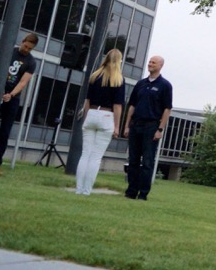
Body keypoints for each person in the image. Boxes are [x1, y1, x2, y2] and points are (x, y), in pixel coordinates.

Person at [74, 47, 125, 196]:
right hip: (106, 115)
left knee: (85, 154)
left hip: (92, 113)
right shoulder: (118, 79)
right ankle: (86, 190)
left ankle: (78, 189)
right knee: (95, 157)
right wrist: (117, 126)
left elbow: (87, 100)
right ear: (119, 61)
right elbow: (117, 106)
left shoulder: (95, 76)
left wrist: (86, 119)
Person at [122, 54, 172, 200]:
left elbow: (167, 109)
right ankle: (131, 191)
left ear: (160, 65)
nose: (150, 64)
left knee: (147, 161)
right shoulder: (140, 84)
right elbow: (132, 105)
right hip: (136, 125)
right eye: (149, 62)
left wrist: (160, 129)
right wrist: (127, 125)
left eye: (153, 62)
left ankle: (143, 194)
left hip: (151, 127)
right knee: (133, 160)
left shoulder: (165, 85)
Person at [0, 32, 38, 175]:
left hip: (12, 98)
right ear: (22, 41)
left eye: (30, 48)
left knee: (4, 132)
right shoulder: (8, 52)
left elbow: (23, 82)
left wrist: (11, 94)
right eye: (25, 46)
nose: (26, 50)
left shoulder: (31, 62)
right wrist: (0, 89)